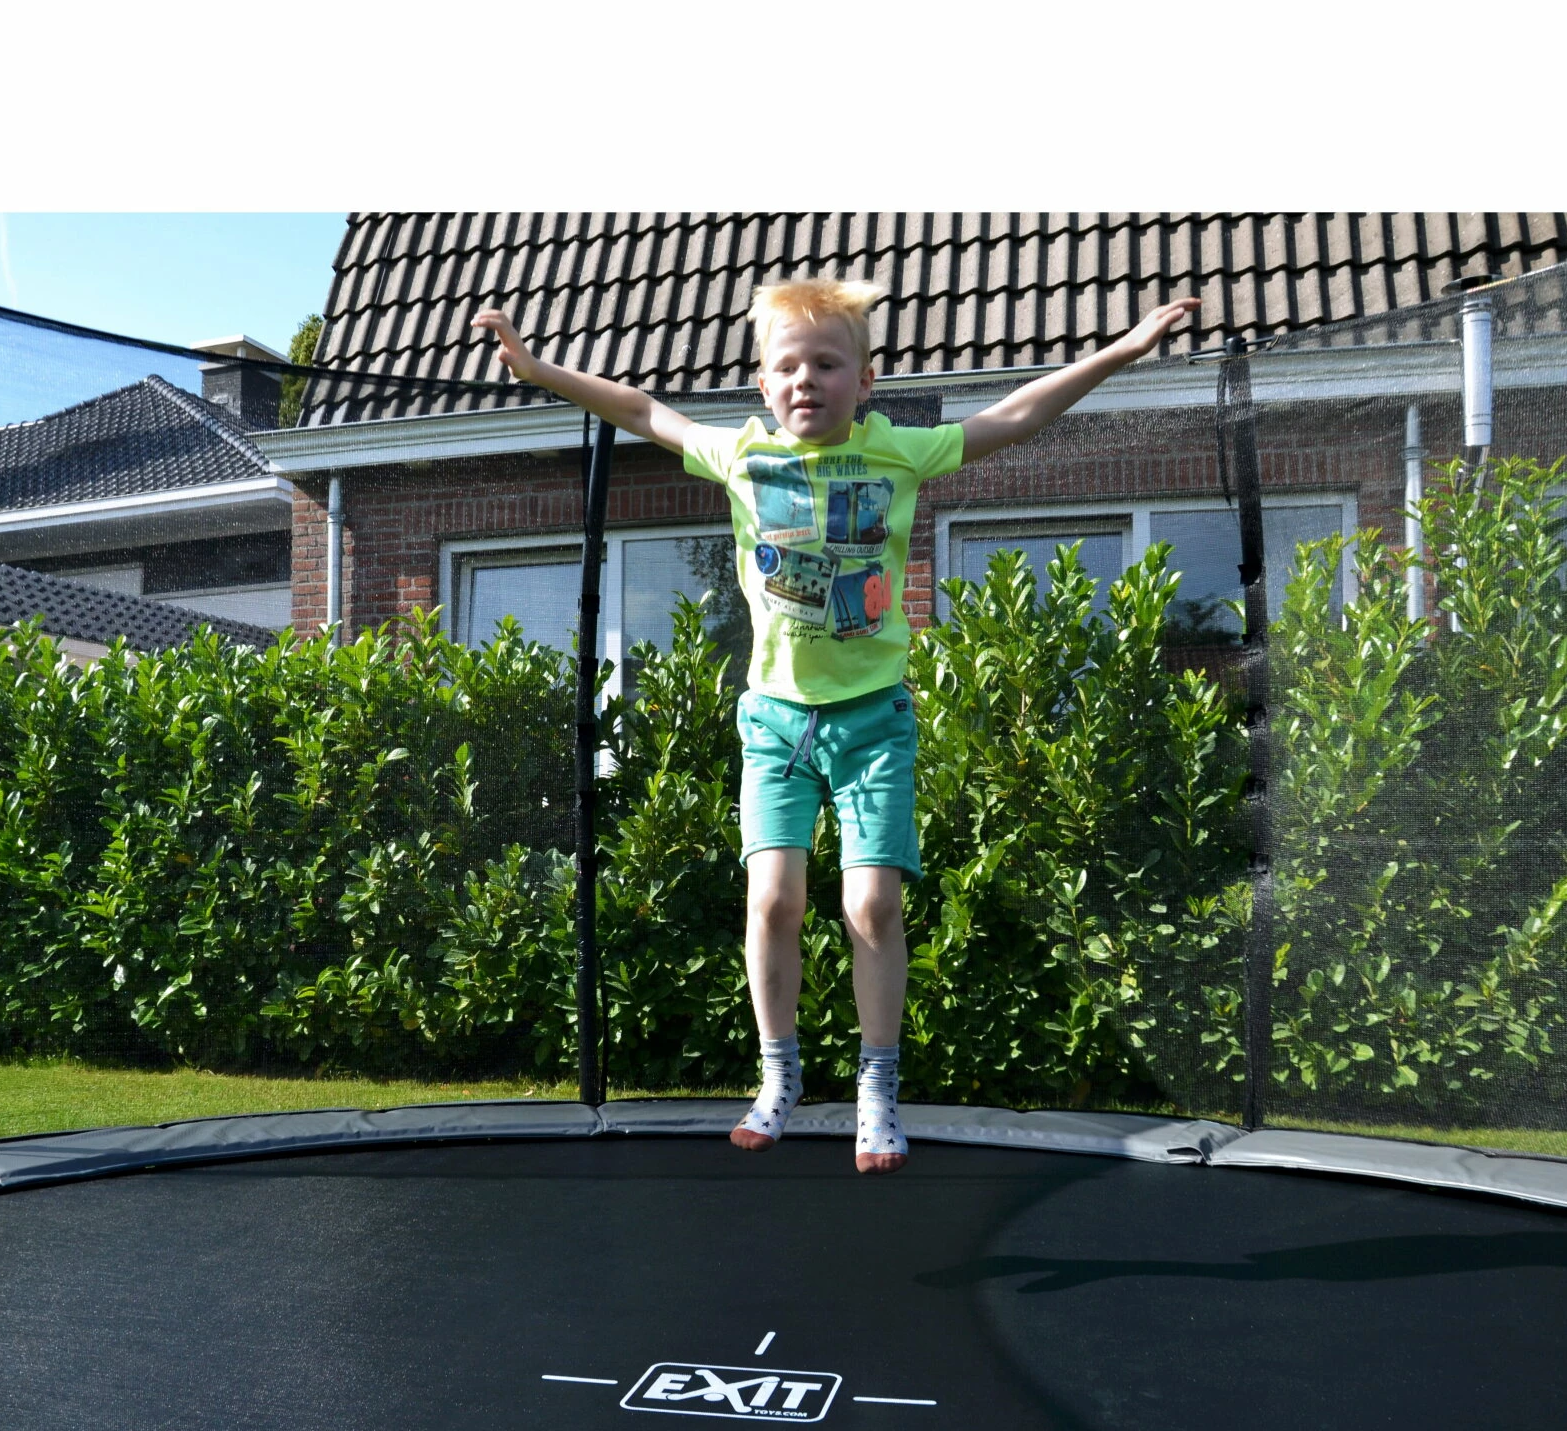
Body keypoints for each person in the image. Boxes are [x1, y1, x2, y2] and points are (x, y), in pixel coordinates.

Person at [473, 279, 1198, 1173]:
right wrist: (535, 368)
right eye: (787, 366)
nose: (805, 380)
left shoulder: (897, 452)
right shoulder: (741, 455)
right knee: (773, 900)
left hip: (872, 721)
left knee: (871, 904)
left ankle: (877, 1089)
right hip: (776, 722)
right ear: (762, 384)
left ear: (866, 381)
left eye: (826, 364)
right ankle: (778, 1077)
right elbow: (641, 409)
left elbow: (1015, 415)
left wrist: (1123, 350)